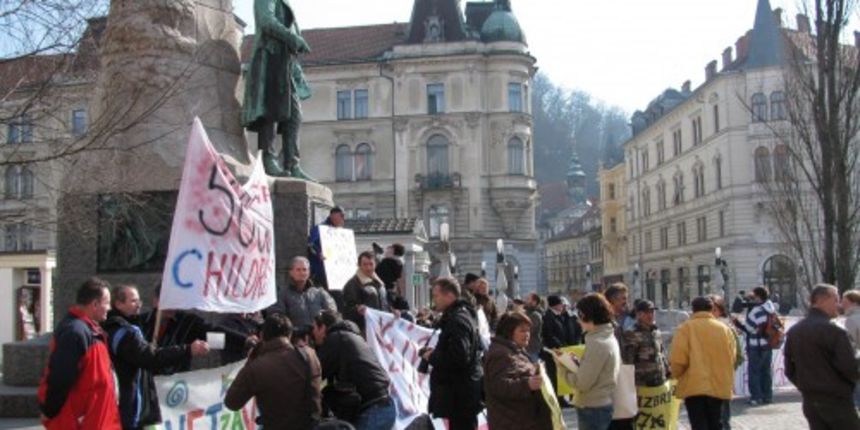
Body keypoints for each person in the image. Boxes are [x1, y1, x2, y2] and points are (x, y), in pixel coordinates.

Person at [103, 285, 210, 430]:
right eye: (133, 301)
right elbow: (151, 357)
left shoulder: (114, 327)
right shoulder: (124, 332)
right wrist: (187, 350)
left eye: (139, 300)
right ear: (119, 304)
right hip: (128, 405)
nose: (139, 304)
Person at [38, 277, 121, 430]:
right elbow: (60, 376)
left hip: (95, 419)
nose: (109, 308)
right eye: (107, 303)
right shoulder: (75, 332)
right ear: (95, 304)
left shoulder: (88, 330)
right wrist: (49, 411)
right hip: (82, 421)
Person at [242, 0, 313, 179]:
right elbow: (266, 21)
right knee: (270, 111)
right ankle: (268, 158)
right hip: (269, 57)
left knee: (295, 116)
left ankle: (293, 164)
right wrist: (293, 38)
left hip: (285, 63)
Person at [225, 314, 323, 429]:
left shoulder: (256, 367)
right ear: (290, 335)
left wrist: (251, 359)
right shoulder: (309, 355)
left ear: (262, 336)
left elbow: (232, 402)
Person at [785, 284, 860, 429]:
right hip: (836, 400)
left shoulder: (795, 331)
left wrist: (806, 386)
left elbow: (789, 369)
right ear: (822, 300)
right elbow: (849, 367)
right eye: (836, 300)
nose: (838, 305)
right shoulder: (834, 331)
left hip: (811, 400)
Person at [312, 310, 395, 430]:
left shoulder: (336, 338)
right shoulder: (351, 336)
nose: (312, 333)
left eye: (314, 328)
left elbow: (315, 374)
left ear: (323, 327)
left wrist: (305, 352)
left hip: (373, 410)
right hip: (383, 405)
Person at [420, 277, 483, 430]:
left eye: (436, 296)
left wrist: (431, 356)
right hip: (461, 392)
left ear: (449, 296)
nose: (434, 300)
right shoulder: (460, 315)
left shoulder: (457, 319)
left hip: (460, 394)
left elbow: (459, 357)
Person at [669, 296, 736, 430]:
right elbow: (732, 356)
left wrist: (675, 375)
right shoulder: (724, 329)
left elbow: (678, 359)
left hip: (694, 386)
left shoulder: (685, 329)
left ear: (692, 310)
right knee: (717, 424)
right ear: (711, 309)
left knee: (699, 424)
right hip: (719, 385)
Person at [556, 293, 620, 430]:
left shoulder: (597, 343)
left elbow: (582, 383)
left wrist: (563, 367)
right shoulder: (606, 336)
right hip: (601, 403)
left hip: (593, 407)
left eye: (579, 316)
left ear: (587, 316)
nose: (578, 321)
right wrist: (578, 363)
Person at [483, 311, 553, 430]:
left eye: (528, 330)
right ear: (509, 332)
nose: (527, 334)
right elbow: (498, 386)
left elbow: (516, 372)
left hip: (521, 420)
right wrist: (527, 384)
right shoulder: (501, 354)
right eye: (522, 330)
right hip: (512, 422)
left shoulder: (515, 349)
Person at [268, 256, 337, 335]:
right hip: (296, 340)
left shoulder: (319, 292)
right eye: (298, 270)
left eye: (304, 269)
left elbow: (332, 312)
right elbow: (278, 319)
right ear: (291, 272)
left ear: (309, 272)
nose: (302, 273)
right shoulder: (283, 295)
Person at [731, 286, 776, 406]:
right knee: (766, 371)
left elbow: (749, 329)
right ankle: (768, 396)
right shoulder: (771, 308)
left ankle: (756, 397)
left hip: (756, 346)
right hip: (768, 344)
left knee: (754, 372)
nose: (751, 299)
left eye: (753, 296)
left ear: (758, 297)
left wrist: (737, 323)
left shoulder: (756, 311)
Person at [708, 295, 744, 430]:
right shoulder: (699, 327)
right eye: (708, 309)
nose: (711, 312)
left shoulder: (726, 328)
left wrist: (727, 369)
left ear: (720, 310)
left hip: (721, 378)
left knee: (723, 418)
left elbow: (738, 355)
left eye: (714, 309)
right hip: (705, 380)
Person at [622, 299, 669, 388]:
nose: (650, 315)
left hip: (659, 380)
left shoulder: (656, 331)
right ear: (639, 314)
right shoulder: (632, 333)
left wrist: (667, 371)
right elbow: (628, 361)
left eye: (652, 312)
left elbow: (661, 353)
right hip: (642, 383)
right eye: (647, 312)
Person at [343, 251, 390, 333]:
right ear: (359, 265)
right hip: (364, 330)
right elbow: (347, 310)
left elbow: (385, 304)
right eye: (365, 264)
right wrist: (358, 310)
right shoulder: (353, 284)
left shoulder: (380, 283)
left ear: (375, 264)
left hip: (381, 328)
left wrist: (393, 311)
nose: (368, 268)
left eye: (371, 264)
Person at [541, 294, 570, 407]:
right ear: (555, 305)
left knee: (559, 376)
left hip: (559, 350)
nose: (562, 306)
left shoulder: (557, 316)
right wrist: (559, 346)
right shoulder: (548, 317)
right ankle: (558, 399)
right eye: (560, 304)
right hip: (553, 351)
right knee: (554, 376)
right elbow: (549, 335)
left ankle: (561, 398)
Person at [308, 206, 346, 288]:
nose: (343, 219)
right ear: (333, 215)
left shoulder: (339, 231)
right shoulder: (320, 228)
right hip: (320, 270)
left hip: (336, 271)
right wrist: (319, 254)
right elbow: (311, 245)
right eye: (341, 216)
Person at [842, 290, 860, 408]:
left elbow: (850, 344)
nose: (842, 305)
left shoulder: (851, 319)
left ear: (854, 303)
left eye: (845, 302)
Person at [524, 293, 544, 362]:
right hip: (526, 348)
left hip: (532, 349)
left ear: (534, 302)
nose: (526, 300)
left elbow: (529, 330)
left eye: (528, 299)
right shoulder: (526, 313)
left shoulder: (535, 315)